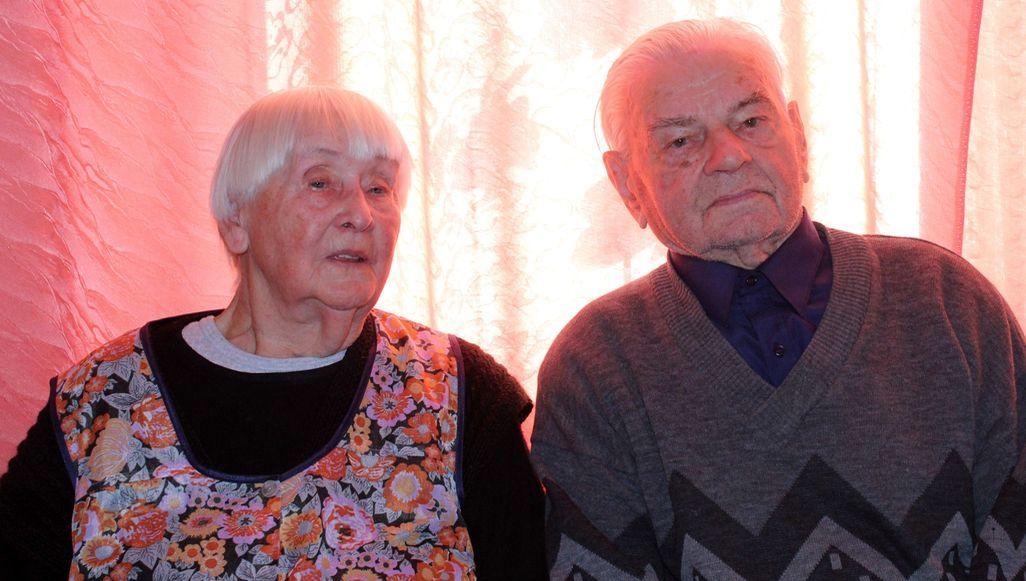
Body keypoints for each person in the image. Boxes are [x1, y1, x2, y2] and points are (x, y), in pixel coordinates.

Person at [530, 18, 1025, 580]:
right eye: (681, 141)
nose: (729, 155)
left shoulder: (946, 299)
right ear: (627, 185)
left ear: (799, 138)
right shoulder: (595, 368)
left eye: (751, 121)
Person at [0, 87, 546, 579]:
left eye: (379, 187)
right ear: (236, 220)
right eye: (320, 182)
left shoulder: (456, 393)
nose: (361, 214)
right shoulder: (100, 401)